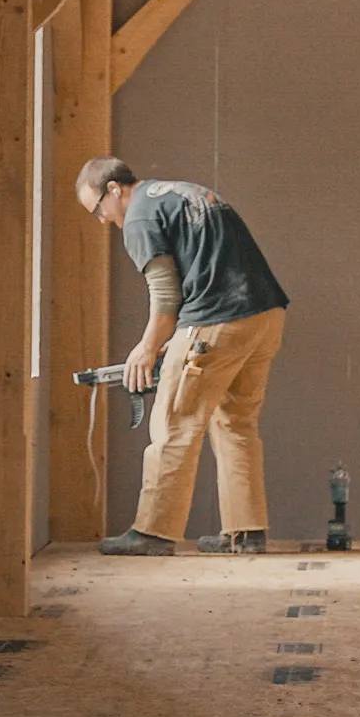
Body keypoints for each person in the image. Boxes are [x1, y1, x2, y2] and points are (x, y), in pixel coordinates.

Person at [75, 158, 290, 555]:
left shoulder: (139, 216)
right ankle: (246, 532)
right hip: (265, 316)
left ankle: (153, 533)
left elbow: (166, 296)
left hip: (216, 320)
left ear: (113, 190)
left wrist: (146, 349)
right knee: (236, 422)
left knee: (175, 422)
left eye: (97, 210)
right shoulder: (178, 191)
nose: (103, 219)